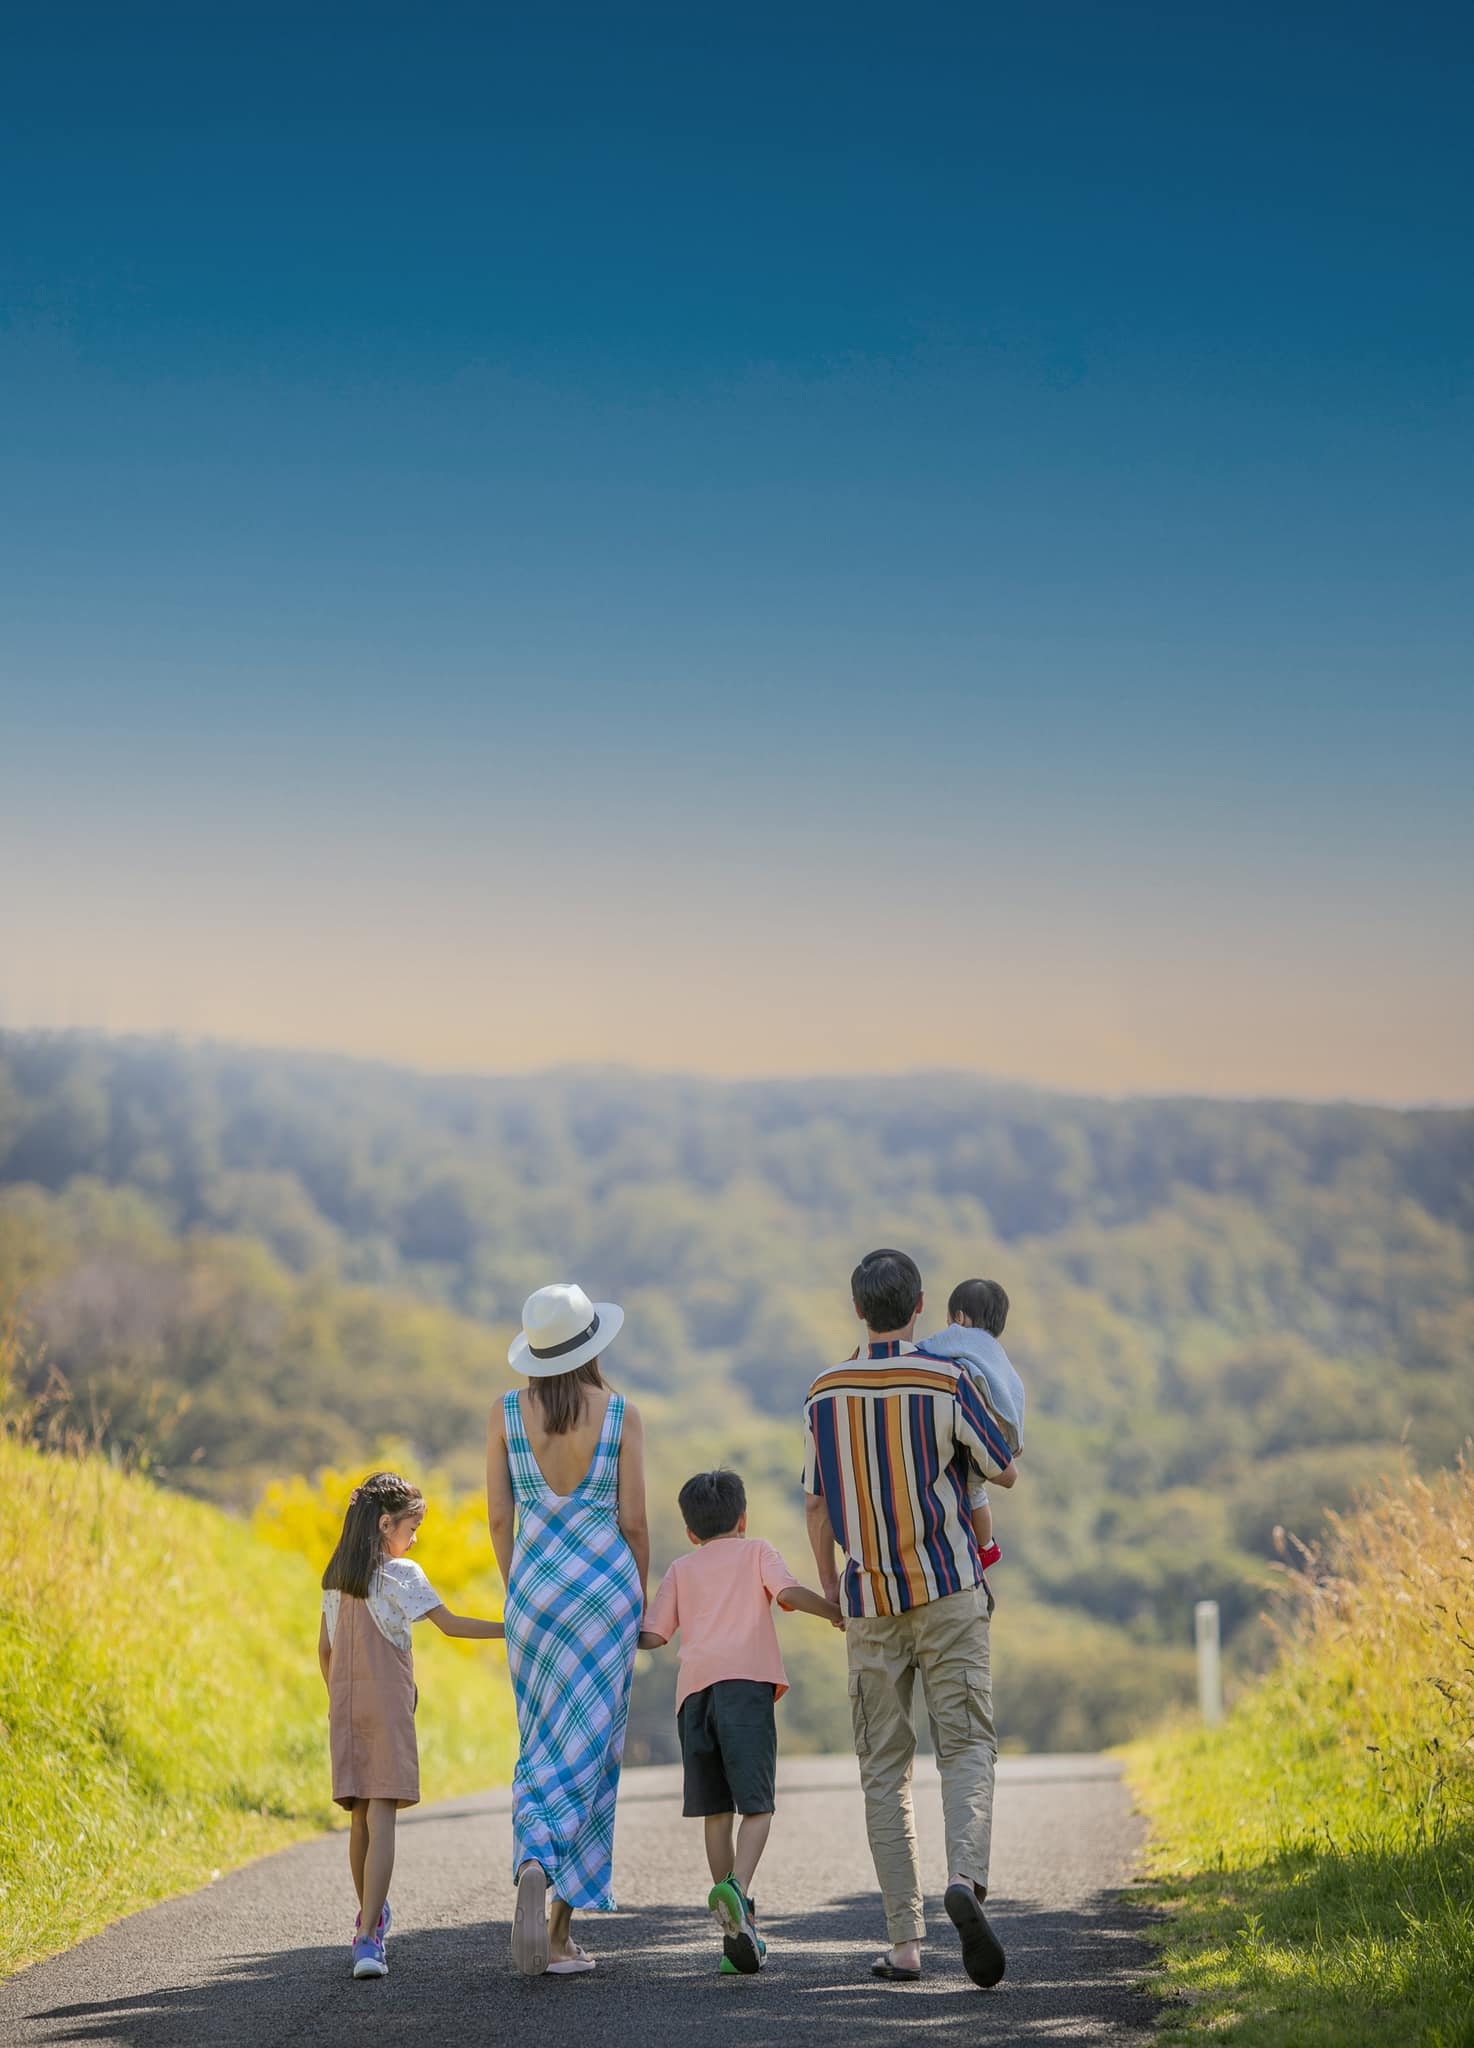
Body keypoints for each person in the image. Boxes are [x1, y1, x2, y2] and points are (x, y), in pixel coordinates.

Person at [803, 1248, 1019, 1989]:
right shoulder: (948, 1377)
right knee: (966, 1748)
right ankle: (965, 1877)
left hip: (869, 1603)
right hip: (950, 1589)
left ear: (858, 1310)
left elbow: (816, 1502)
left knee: (883, 1771)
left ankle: (904, 1942)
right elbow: (1000, 1460)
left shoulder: (823, 1392)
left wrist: (832, 1586)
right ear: (921, 1304)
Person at [487, 1282, 649, 1977]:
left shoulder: (503, 1414)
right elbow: (635, 1520)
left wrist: (517, 1588)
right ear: (591, 1345)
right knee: (591, 1753)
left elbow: (499, 1518)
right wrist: (637, 1598)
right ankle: (557, 1934)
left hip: (533, 1594)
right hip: (604, 1597)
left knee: (542, 1742)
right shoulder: (619, 1414)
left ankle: (533, 1853)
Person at [638, 1468, 842, 1975]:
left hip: (694, 1699)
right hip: (745, 1690)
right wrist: (838, 1612)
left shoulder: (681, 1568)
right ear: (743, 1519)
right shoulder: (757, 1552)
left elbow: (654, 1636)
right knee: (758, 1805)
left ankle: (736, 1930)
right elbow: (789, 1595)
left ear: (690, 1531)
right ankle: (739, 1891)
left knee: (715, 1811)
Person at [318, 1469, 505, 1980]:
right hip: (386, 1705)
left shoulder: (336, 1575)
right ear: (384, 1524)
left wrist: (339, 1700)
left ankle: (369, 1919)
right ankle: (366, 1939)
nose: (414, 1538)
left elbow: (326, 1651)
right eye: (411, 1527)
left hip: (344, 1705)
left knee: (358, 1816)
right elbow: (452, 1625)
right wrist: (512, 1628)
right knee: (383, 1817)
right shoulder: (403, 1576)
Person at [917, 1278, 1025, 1569]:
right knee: (976, 1490)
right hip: (997, 1429)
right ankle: (986, 1545)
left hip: (976, 1425)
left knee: (971, 1489)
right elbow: (1015, 1393)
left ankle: (985, 1547)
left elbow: (927, 1348)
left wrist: (906, 1354)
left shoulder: (961, 1337)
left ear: (960, 1318)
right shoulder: (996, 1354)